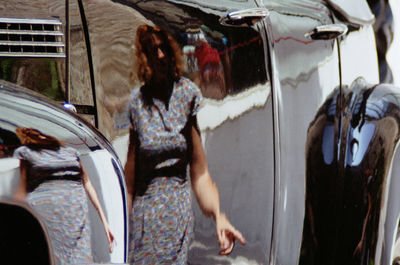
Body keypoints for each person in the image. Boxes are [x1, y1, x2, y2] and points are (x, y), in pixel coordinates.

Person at [125, 24, 246, 264]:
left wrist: (218, 216)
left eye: (163, 48)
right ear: (145, 57)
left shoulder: (187, 95)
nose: (159, 55)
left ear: (172, 51)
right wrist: (120, 223)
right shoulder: (138, 104)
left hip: (178, 219)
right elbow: (130, 178)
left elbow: (200, 173)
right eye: (152, 50)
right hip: (146, 221)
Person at [13, 127, 114, 265]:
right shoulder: (27, 152)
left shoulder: (70, 152)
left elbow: (87, 183)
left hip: (76, 220)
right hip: (50, 221)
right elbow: (21, 191)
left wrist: (105, 223)